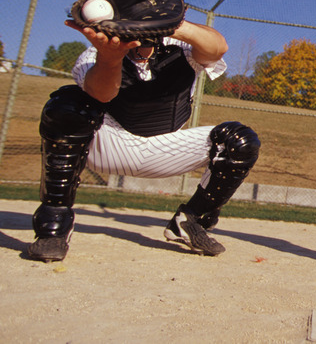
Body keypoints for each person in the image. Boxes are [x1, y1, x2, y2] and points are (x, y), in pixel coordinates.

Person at [28, 16, 260, 262]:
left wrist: (169, 22)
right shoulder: (92, 55)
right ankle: (54, 222)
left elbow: (217, 47)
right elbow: (101, 93)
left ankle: (191, 221)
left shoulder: (182, 48)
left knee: (239, 140)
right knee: (65, 104)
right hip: (110, 145)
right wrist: (110, 56)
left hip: (166, 149)